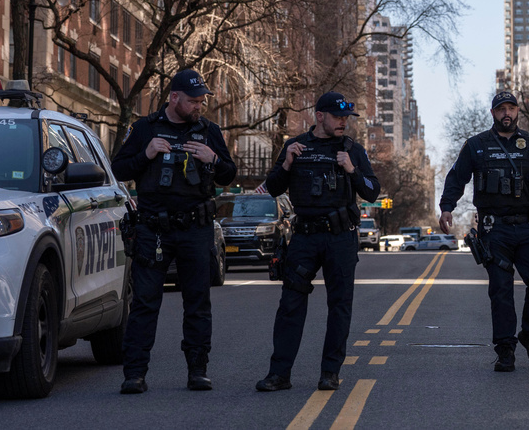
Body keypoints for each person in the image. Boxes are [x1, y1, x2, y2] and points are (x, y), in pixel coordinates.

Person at [112, 69, 237, 394]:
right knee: (145, 302)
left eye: (202, 101)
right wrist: (146, 153)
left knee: (198, 301)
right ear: (174, 98)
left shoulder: (209, 131)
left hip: (195, 228)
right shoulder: (144, 129)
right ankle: (135, 374)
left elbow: (228, 174)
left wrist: (213, 160)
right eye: (194, 100)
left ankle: (198, 371)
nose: (199, 106)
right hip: (153, 229)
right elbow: (119, 168)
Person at [256, 92, 380, 393]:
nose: (343, 123)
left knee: (339, 306)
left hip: (340, 237)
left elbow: (372, 192)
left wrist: (352, 170)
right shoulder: (296, 147)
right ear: (319, 116)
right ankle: (279, 374)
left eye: (346, 118)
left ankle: (330, 372)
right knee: (290, 304)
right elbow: (272, 188)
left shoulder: (352, 150)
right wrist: (286, 163)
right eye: (337, 117)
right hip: (304, 238)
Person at [438, 90, 529, 372]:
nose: (506, 113)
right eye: (501, 109)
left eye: (511, 108)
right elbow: (456, 177)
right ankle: (505, 349)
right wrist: (447, 206)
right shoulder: (477, 146)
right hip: (493, 229)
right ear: (493, 113)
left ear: (518, 112)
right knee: (501, 289)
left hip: (528, 226)